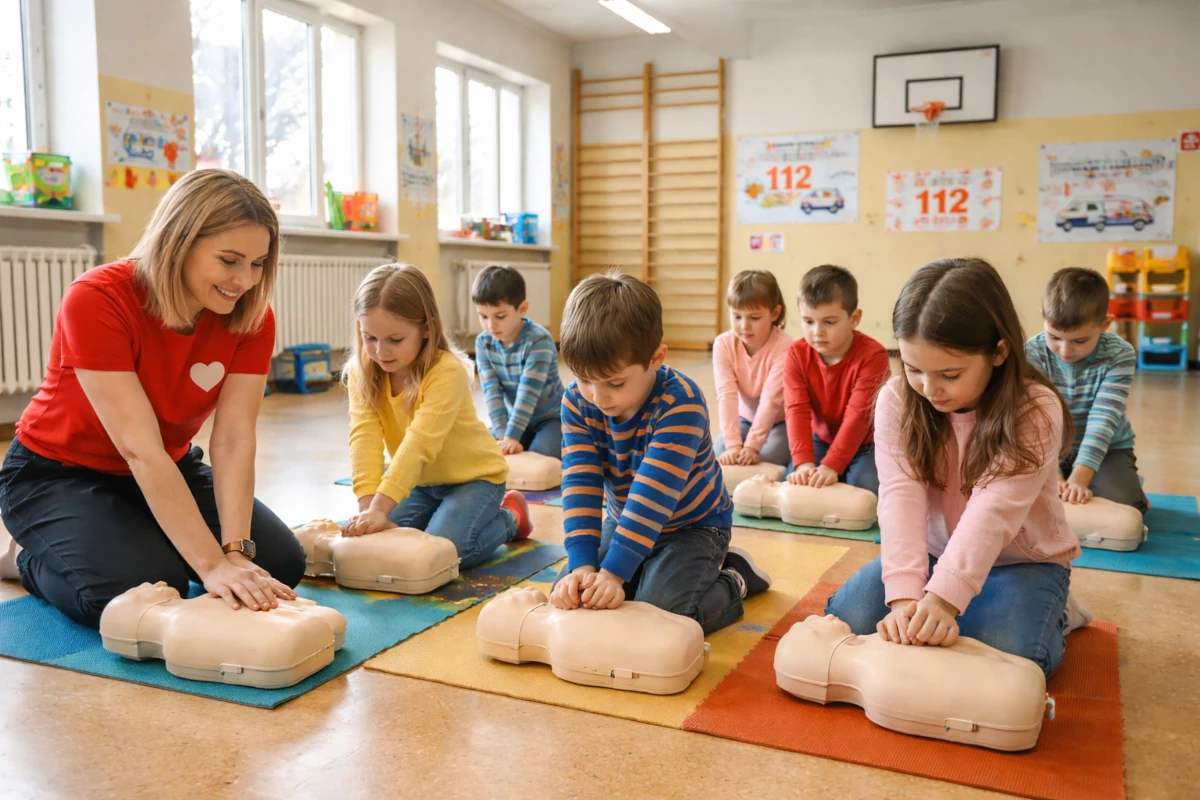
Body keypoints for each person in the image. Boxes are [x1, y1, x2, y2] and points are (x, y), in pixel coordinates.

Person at [0, 169, 304, 627]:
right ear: (179, 241)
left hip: (167, 466)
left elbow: (234, 439)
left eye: (258, 263)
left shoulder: (252, 318)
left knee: (278, 564)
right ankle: (24, 556)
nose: (244, 280)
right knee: (139, 591)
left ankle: (140, 537)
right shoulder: (97, 298)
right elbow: (139, 449)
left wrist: (234, 553)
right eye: (229, 260)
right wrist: (209, 564)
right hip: (57, 474)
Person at [826, 258, 1086, 678]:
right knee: (847, 617)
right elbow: (899, 497)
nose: (929, 389)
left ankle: (1060, 611)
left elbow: (993, 511)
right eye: (913, 368)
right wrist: (906, 597)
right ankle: (968, 601)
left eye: (949, 374)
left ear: (998, 352)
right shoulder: (897, 399)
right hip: (935, 552)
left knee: (1015, 654)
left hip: (1022, 560)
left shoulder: (1035, 408)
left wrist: (943, 600)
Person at [549, 272, 770, 635]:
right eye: (584, 379)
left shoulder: (681, 402)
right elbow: (580, 482)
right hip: (624, 520)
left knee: (663, 618)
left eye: (615, 383)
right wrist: (583, 567)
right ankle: (638, 572)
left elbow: (652, 495)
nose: (597, 397)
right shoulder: (577, 400)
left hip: (694, 527)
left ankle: (734, 578)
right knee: (572, 596)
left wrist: (614, 574)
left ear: (655, 358)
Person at [340, 263, 532, 567]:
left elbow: (419, 443)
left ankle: (511, 515)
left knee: (445, 554)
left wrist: (380, 509)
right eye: (369, 337)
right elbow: (363, 438)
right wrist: (369, 511)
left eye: (395, 340)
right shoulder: (361, 371)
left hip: (474, 479)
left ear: (426, 329)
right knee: (389, 545)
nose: (380, 351)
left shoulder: (446, 372)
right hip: (420, 484)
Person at [1025, 267, 1147, 511]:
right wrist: (1054, 476)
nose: (1065, 350)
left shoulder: (1120, 354)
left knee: (1127, 506)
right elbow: (1036, 419)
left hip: (1108, 448)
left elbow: (1104, 419)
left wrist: (1080, 478)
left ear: (1105, 325)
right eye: (1054, 337)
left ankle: (1128, 484)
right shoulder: (1032, 351)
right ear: (1044, 318)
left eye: (1080, 341)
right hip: (1047, 447)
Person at [783, 265, 890, 492]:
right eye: (808, 321)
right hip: (822, 439)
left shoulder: (874, 356)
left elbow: (859, 417)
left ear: (854, 318)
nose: (817, 332)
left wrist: (832, 465)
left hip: (867, 443)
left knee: (866, 486)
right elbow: (796, 410)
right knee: (793, 482)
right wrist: (803, 463)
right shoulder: (796, 354)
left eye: (829, 322)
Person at [472, 265, 565, 458]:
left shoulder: (539, 341)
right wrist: (503, 436)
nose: (491, 325)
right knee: (480, 446)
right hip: (515, 418)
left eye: (500, 316)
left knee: (543, 453)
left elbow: (527, 393)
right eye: (483, 316)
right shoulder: (483, 343)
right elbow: (491, 391)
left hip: (550, 418)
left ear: (522, 309)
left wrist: (512, 436)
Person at [712, 270, 793, 468]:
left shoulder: (785, 347)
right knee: (720, 449)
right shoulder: (723, 344)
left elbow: (771, 400)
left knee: (768, 455)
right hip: (746, 418)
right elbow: (726, 395)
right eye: (737, 316)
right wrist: (733, 445)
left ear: (775, 313)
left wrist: (752, 447)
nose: (744, 326)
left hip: (781, 421)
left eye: (754, 318)